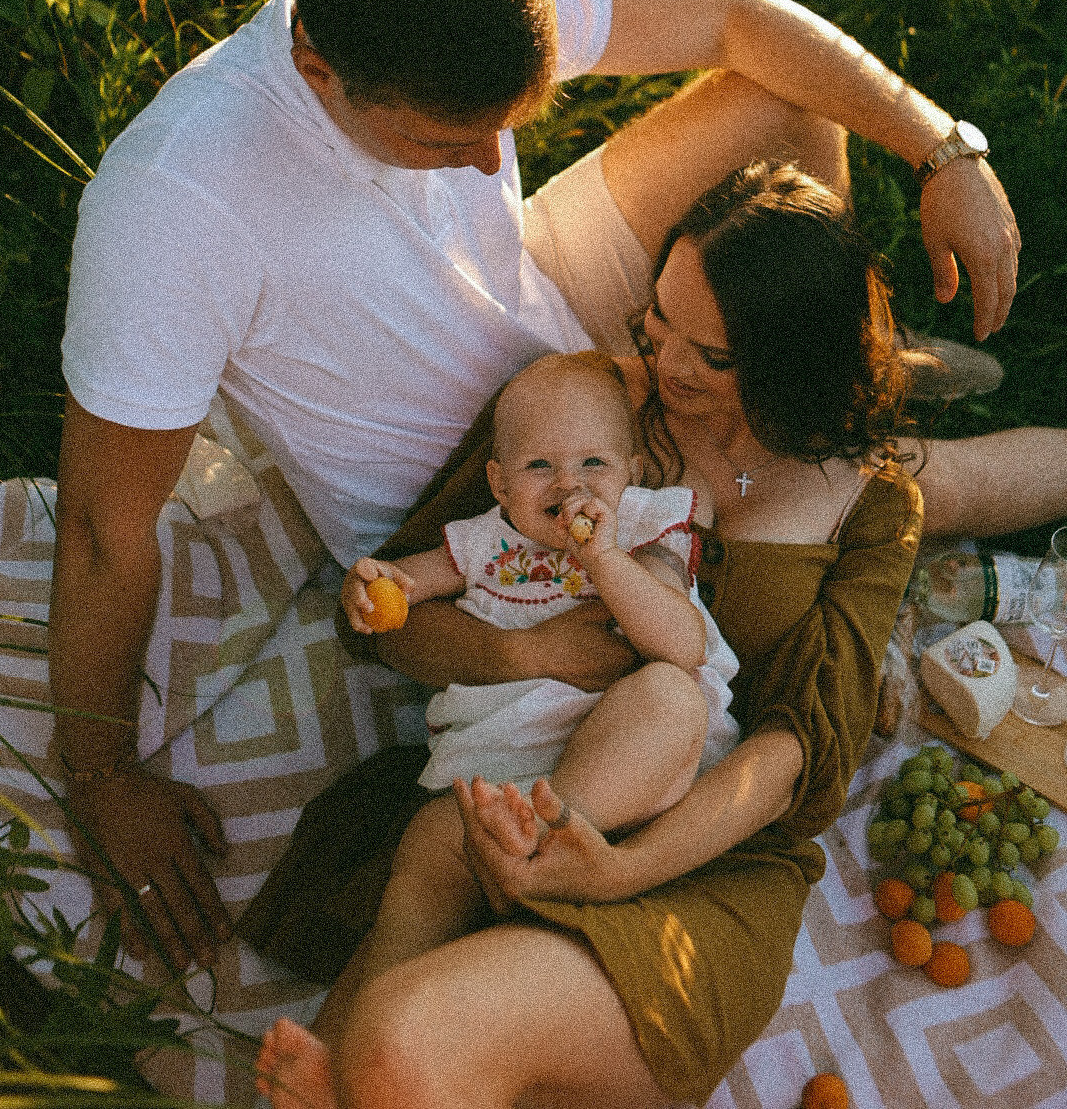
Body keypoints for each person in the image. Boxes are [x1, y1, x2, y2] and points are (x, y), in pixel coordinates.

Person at [51, 0, 1031, 972]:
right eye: (443, 141)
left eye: (501, 125)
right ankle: (811, 406)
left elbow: (735, 19)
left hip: (550, 312)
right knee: (904, 489)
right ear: (315, 66)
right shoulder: (175, 202)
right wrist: (104, 774)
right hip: (498, 462)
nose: (483, 167)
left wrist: (942, 147)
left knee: (786, 108)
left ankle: (800, 373)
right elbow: (99, 528)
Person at [253, 161, 927, 1109]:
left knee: (399, 1050)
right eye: (659, 323)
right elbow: (398, 608)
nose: (667, 367)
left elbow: (796, 752)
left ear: (795, 365)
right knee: (364, 1041)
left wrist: (621, 871)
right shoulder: (580, 413)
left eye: (714, 355)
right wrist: (519, 653)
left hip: (702, 861)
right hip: (514, 779)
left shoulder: (873, 501)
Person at [338, 350, 739, 1005]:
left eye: (593, 464)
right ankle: (350, 1038)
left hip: (621, 769)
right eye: (538, 466)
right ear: (498, 484)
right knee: (429, 853)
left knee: (670, 693)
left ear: (631, 473)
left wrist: (604, 559)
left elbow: (683, 643)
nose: (567, 484)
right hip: (498, 776)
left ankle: (547, 846)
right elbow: (402, 588)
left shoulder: (643, 525)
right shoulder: (481, 542)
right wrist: (372, 585)